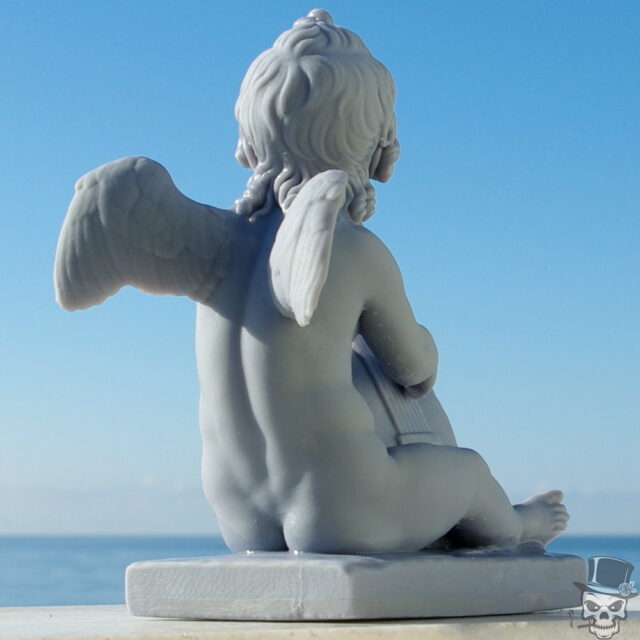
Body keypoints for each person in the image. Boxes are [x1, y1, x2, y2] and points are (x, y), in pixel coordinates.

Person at [54, 9, 569, 553]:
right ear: (375, 144)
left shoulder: (210, 246)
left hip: (240, 515)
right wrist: (425, 347)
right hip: (346, 508)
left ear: (247, 141)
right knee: (470, 474)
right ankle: (517, 527)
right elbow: (413, 369)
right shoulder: (352, 247)